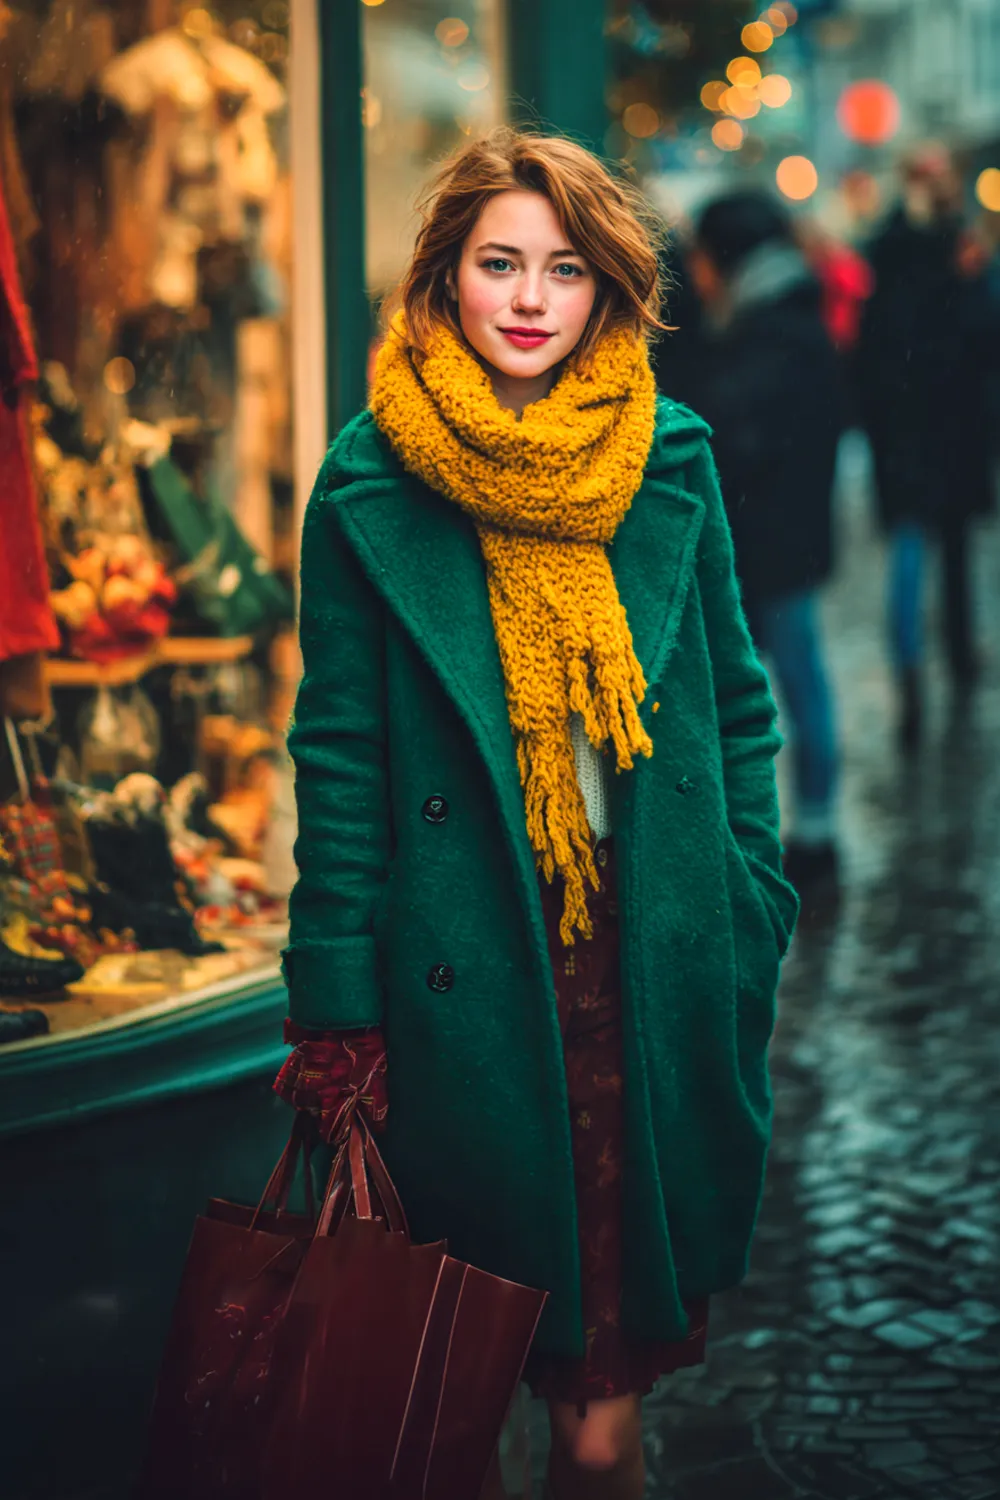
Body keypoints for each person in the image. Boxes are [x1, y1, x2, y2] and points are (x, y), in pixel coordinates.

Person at [273, 129, 798, 1500]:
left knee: (600, 1420)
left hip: (642, 966)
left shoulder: (669, 456)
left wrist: (749, 901)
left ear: (606, 288)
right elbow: (336, 757)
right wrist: (335, 1008)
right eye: (498, 262)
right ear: (444, 276)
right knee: (442, 1404)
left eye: (564, 268)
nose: (528, 297)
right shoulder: (367, 480)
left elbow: (737, 705)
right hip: (457, 994)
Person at [664, 191, 844, 899]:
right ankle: (799, 832)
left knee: (783, 686)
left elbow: (738, 432)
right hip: (779, 539)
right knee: (783, 685)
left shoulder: (772, 327)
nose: (699, 275)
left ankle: (816, 833)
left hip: (774, 544)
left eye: (704, 258)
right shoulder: (776, 314)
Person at [855, 143, 998, 749]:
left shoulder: (941, 253)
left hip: (940, 434)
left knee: (947, 553)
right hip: (920, 435)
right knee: (918, 557)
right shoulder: (917, 253)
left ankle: (951, 661)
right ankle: (917, 671)